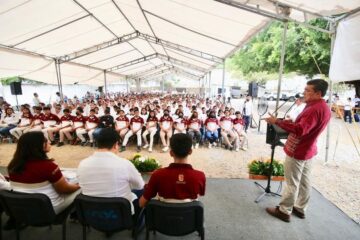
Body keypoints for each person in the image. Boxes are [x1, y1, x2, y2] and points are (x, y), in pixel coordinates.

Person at [265, 79, 331, 222]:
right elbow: (306, 126)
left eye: (308, 90)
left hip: (299, 150)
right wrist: (289, 122)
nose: (304, 93)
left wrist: (277, 121)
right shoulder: (323, 107)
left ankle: (284, 211)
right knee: (305, 181)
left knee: (291, 182)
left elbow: (301, 130)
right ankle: (300, 208)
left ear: (318, 93)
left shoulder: (314, 109)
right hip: (309, 149)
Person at [77, 128, 144, 219]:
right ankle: (137, 223)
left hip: (92, 214)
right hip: (120, 215)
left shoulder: (82, 164)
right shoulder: (124, 164)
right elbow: (140, 185)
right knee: (142, 190)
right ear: (116, 145)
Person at [8, 132, 80, 214]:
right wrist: (79, 185)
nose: (49, 142)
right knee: (82, 185)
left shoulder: (13, 165)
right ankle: (78, 216)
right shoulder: (48, 166)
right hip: (48, 209)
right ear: (38, 146)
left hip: (23, 207)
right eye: (46, 141)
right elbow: (64, 190)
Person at [139, 133, 205, 207]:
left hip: (162, 217)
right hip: (189, 217)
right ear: (190, 151)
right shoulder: (200, 176)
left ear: (171, 153)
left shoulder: (158, 175)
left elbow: (142, 203)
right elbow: (201, 194)